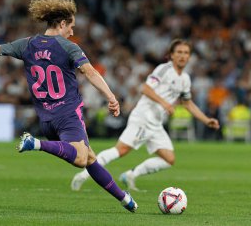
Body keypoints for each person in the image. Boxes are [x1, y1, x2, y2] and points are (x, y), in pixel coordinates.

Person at [0, 0, 138, 212]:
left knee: (90, 157)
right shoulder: (68, 47)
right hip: (67, 115)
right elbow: (90, 72)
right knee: (82, 158)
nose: (72, 32)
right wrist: (111, 96)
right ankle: (35, 144)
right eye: (71, 26)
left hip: (46, 119)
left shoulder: (27, 44)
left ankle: (124, 199)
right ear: (62, 23)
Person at [71, 39, 220, 191]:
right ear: (171, 55)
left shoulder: (185, 79)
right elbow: (145, 88)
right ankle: (83, 175)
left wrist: (206, 120)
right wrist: (164, 103)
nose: (183, 56)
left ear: (189, 56)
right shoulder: (163, 70)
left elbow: (188, 103)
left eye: (186, 53)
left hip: (155, 122)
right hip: (143, 117)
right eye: (179, 52)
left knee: (169, 159)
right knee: (121, 150)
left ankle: (130, 175)